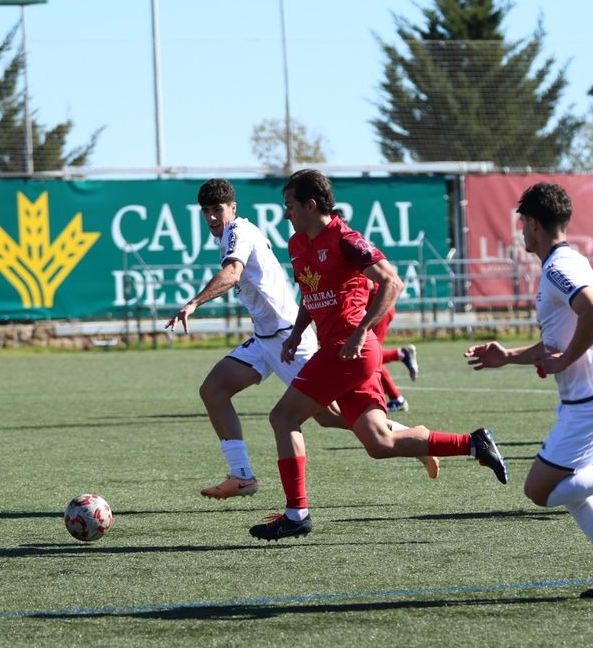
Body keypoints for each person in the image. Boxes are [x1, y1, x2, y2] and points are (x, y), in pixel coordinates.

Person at [249, 169, 508, 541]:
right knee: (379, 443)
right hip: (339, 351)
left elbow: (392, 281)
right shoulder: (297, 244)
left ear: (311, 205)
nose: (285, 213)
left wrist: (360, 331)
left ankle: (296, 513)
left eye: (289, 205)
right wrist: (296, 334)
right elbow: (311, 294)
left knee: (283, 417)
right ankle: (474, 443)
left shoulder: (346, 239)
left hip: (349, 350)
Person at [465, 183, 593, 600]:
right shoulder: (565, 262)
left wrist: (564, 361)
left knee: (539, 491)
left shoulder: (558, 268)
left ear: (533, 223)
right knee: (577, 490)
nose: (521, 232)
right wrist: (508, 356)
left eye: (522, 224)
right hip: (591, 399)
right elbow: (556, 342)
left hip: (592, 402)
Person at [166, 179, 437, 501]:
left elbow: (233, 273)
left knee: (327, 415)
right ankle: (241, 476)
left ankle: (413, 438)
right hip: (265, 338)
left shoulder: (238, 232)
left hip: (286, 335)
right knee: (213, 390)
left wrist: (194, 303)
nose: (212, 217)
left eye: (217, 209)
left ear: (233, 208)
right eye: (206, 211)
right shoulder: (229, 235)